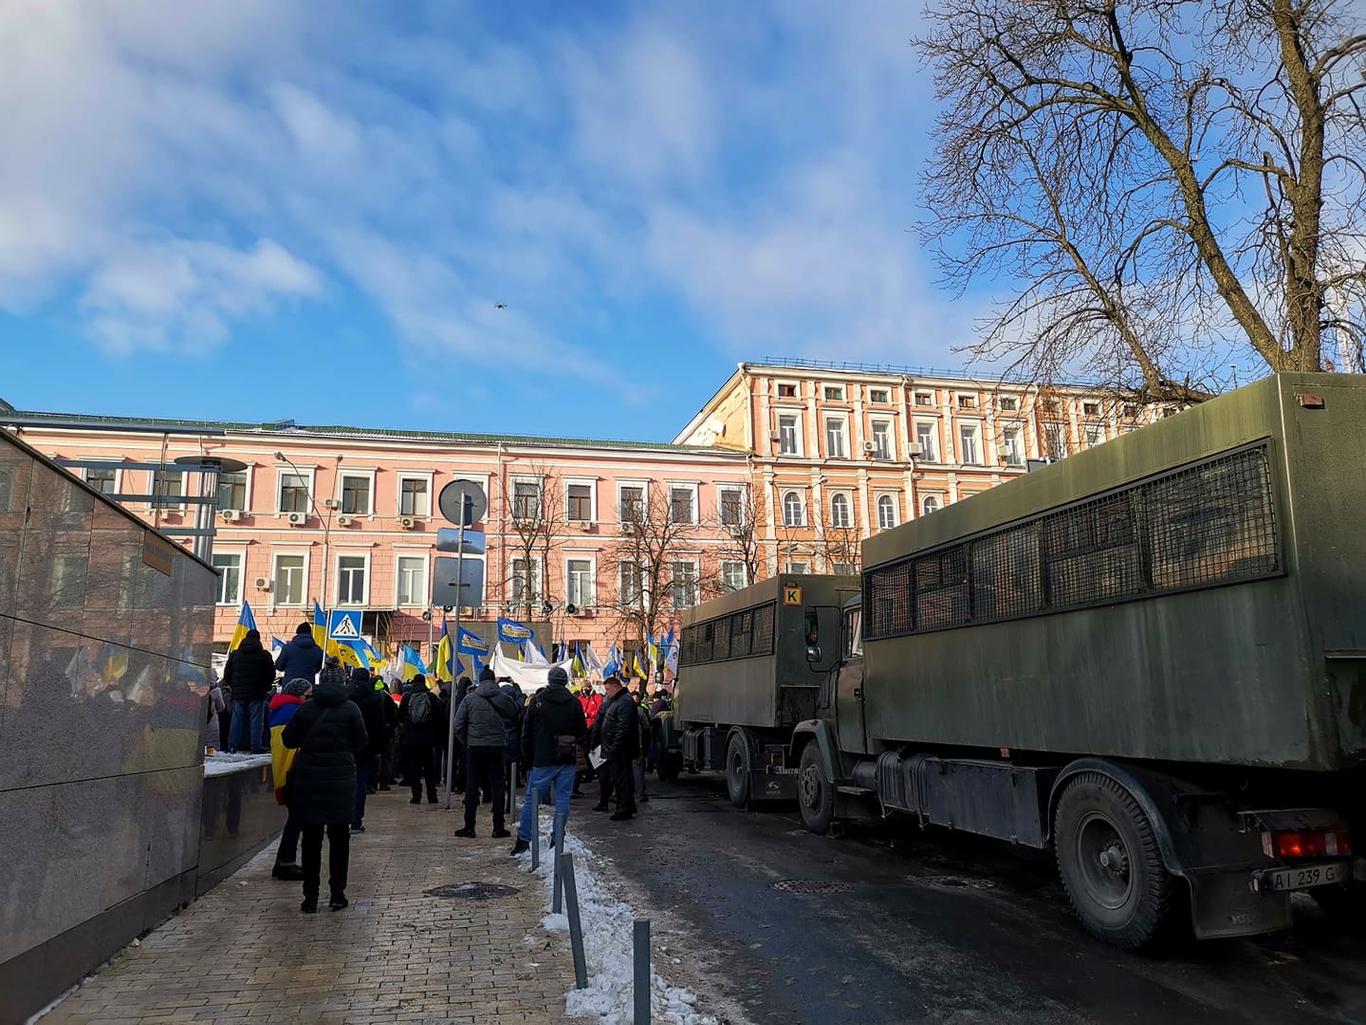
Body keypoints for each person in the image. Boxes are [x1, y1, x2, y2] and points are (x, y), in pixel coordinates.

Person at [282, 670, 366, 913]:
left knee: (311, 840)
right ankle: (337, 894)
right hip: (340, 782)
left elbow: (289, 740)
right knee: (340, 839)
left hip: (309, 782)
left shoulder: (307, 709)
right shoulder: (351, 709)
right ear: (342, 683)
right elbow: (361, 743)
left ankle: (310, 897)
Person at [512, 665, 587, 855]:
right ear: (565, 681)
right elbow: (582, 732)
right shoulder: (574, 703)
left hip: (543, 758)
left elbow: (526, 733)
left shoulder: (538, 702)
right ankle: (557, 837)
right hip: (567, 757)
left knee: (532, 799)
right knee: (563, 799)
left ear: (549, 680)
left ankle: (523, 839)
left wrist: (527, 758)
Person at [453, 667, 516, 838]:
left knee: (472, 787)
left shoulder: (469, 699)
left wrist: (468, 741)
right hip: (496, 747)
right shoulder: (503, 698)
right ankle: (498, 827)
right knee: (497, 786)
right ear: (494, 680)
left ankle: (469, 826)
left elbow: (458, 725)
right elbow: (513, 712)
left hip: (475, 748)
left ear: (480, 680)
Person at [269, 679, 311, 880]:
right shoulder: (293, 711)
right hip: (293, 771)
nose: (309, 699)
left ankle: (282, 862)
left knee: (295, 818)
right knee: (297, 818)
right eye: (308, 695)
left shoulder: (280, 708)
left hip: (285, 769)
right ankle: (286, 863)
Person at [347, 667, 388, 833]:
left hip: (344, 745)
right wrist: (380, 748)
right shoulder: (374, 698)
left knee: (341, 784)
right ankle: (356, 822)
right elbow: (379, 725)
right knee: (360, 783)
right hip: (366, 746)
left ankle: (338, 821)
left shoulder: (344, 696)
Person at [223, 629, 275, 754]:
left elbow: (227, 674)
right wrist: (266, 686)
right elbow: (271, 674)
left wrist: (233, 687)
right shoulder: (264, 655)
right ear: (259, 639)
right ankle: (255, 746)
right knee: (256, 720)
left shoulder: (235, 655)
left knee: (237, 719)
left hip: (238, 693)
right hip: (257, 693)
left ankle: (232, 746)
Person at [599, 675, 640, 822]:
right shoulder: (619, 701)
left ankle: (623, 808)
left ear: (616, 687)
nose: (607, 693)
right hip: (618, 749)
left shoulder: (624, 702)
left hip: (621, 750)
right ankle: (626, 806)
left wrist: (614, 747)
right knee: (621, 780)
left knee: (622, 780)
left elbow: (623, 728)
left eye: (608, 689)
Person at [398, 675, 439, 804]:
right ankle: (432, 796)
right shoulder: (431, 697)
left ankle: (416, 796)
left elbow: (400, 716)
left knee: (414, 768)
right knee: (429, 768)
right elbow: (439, 718)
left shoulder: (407, 697)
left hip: (411, 738)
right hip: (427, 739)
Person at [631, 688, 650, 803]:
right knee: (637, 770)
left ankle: (618, 794)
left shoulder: (617, 708)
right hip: (637, 745)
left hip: (623, 745)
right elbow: (646, 727)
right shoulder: (640, 711)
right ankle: (640, 794)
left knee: (622, 771)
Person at [203, 667, 226, 752]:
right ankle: (211, 753)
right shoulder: (216, 690)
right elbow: (221, 707)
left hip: (198, 720)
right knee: (211, 744)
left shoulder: (198, 688)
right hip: (212, 719)